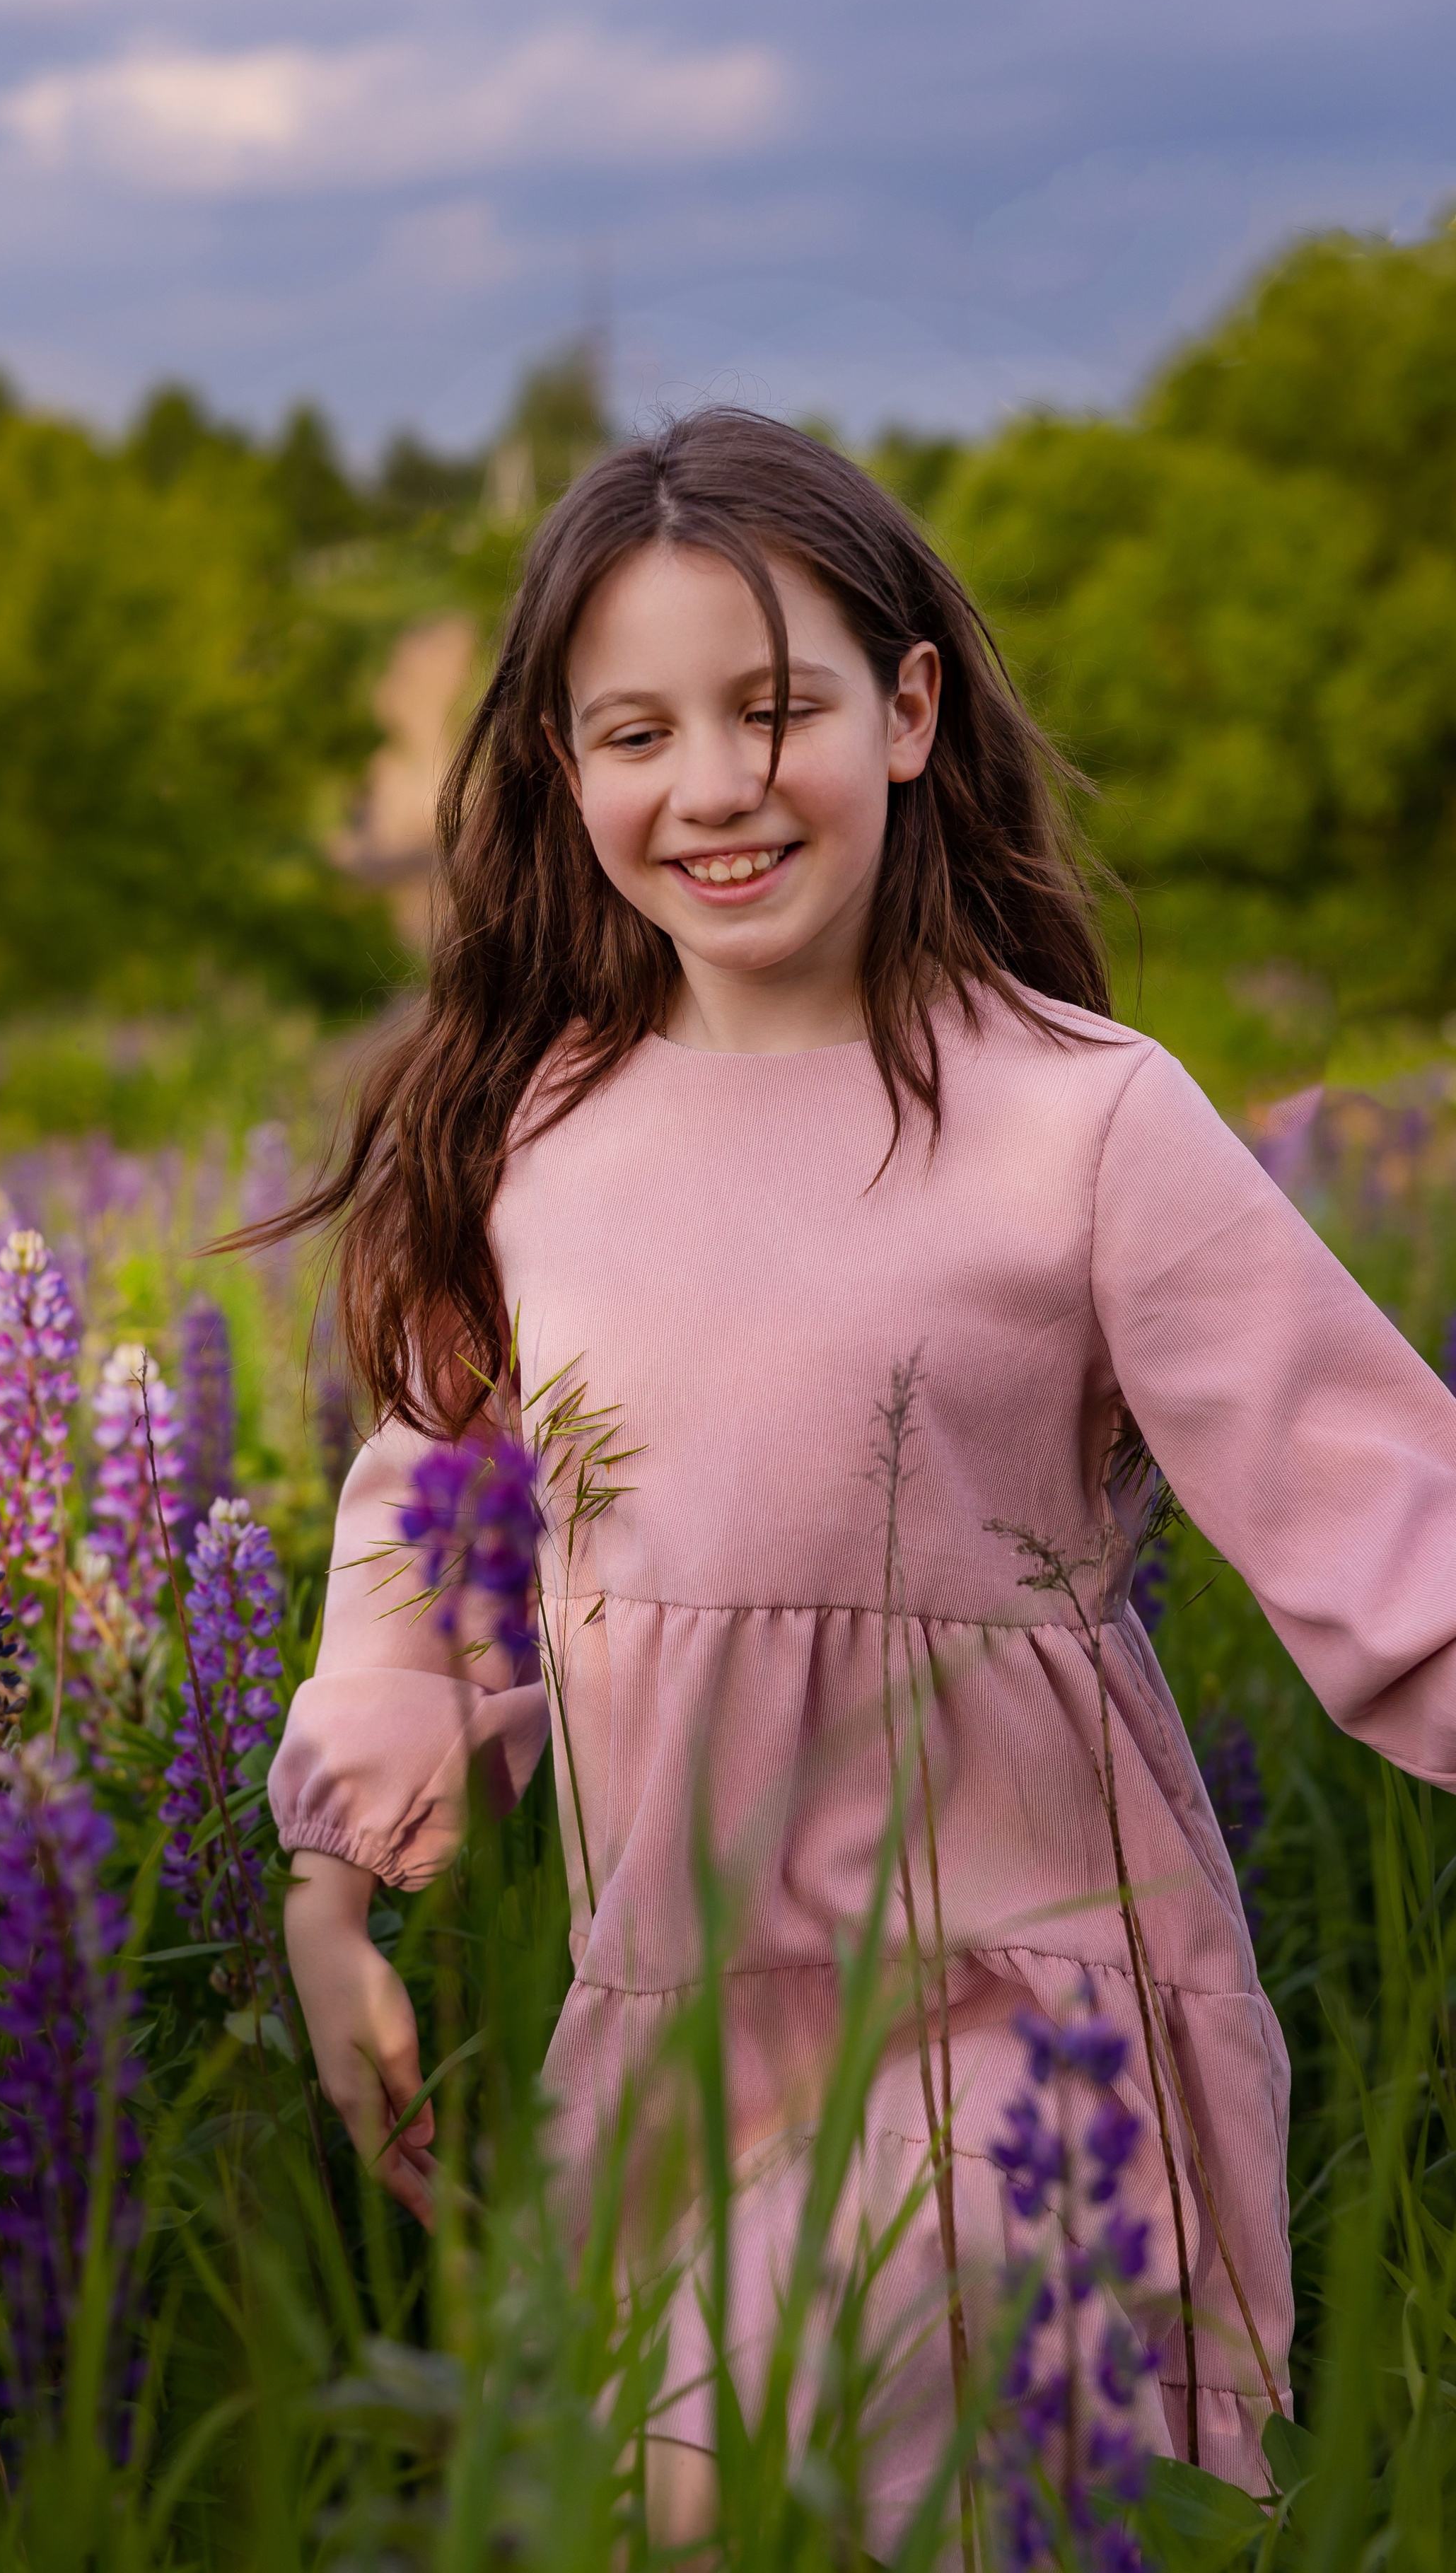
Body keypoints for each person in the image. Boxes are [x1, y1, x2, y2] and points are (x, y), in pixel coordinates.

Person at [257, 408, 1456, 2550]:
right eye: (636, 731)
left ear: (907, 713)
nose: (712, 785)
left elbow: (1392, 1525)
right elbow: (435, 1528)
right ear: (560, 767)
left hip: (1031, 2019)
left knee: (939, 2472)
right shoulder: (539, 1135)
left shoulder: (1083, 1125)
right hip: (678, 2040)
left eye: (776, 707)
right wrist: (334, 1886)